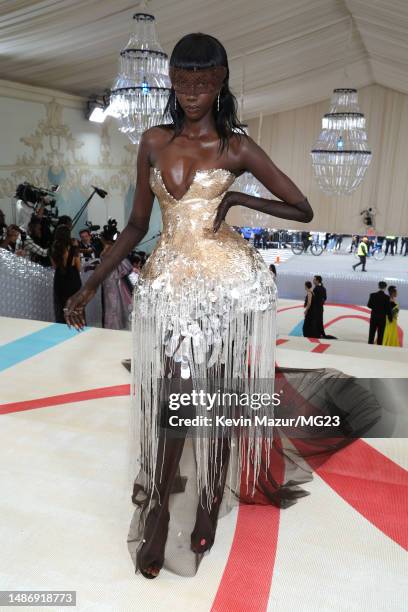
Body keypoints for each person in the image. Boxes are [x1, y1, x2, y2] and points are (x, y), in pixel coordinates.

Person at [64, 33, 380, 580]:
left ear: (219, 82)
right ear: (172, 82)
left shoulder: (236, 147)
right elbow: (138, 224)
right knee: (173, 402)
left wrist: (237, 197)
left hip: (226, 289)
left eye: (203, 83)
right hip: (168, 286)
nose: (191, 93)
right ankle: (160, 510)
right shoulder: (153, 141)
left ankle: (207, 500)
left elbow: (300, 207)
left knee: (214, 399)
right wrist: (91, 283)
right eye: (183, 82)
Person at [51, 225, 82, 323]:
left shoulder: (53, 248)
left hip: (59, 278)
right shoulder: (73, 246)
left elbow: (55, 267)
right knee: (75, 305)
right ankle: (77, 326)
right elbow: (78, 266)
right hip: (73, 278)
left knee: (61, 305)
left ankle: (62, 327)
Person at [367, 281, 391, 345]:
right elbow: (388, 309)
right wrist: (390, 318)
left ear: (378, 286)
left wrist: (375, 307)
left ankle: (369, 346)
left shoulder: (372, 295)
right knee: (381, 334)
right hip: (382, 318)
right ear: (385, 287)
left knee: (371, 333)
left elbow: (369, 305)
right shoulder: (387, 297)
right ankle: (379, 347)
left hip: (374, 317)